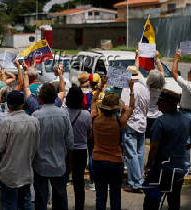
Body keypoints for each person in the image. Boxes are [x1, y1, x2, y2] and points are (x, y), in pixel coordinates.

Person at [143, 89, 191, 210]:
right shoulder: (186, 120)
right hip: (179, 169)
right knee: (174, 202)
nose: (157, 104)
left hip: (161, 169)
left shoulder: (160, 122)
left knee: (151, 202)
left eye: (160, 102)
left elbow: (154, 148)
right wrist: (188, 146)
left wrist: (148, 165)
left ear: (168, 103)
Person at [91, 81, 135, 210]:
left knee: (100, 195)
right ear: (116, 108)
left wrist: (100, 87)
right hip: (115, 161)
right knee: (115, 196)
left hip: (98, 160)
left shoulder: (95, 119)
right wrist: (131, 89)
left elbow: (93, 101)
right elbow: (132, 107)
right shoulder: (119, 121)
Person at [0, 90, 40, 210]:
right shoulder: (34, 121)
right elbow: (36, 145)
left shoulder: (7, 122)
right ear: (23, 104)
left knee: (10, 204)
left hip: (9, 173)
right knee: (26, 203)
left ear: (8, 105)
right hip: (26, 172)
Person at [32, 83, 74, 210]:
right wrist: (69, 163)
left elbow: (32, 143)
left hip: (40, 165)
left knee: (40, 199)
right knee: (60, 198)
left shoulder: (36, 116)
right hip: (59, 164)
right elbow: (70, 142)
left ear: (40, 98)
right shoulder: (63, 114)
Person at [121, 66, 150, 193]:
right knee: (138, 154)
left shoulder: (128, 88)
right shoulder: (144, 88)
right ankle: (138, 180)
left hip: (131, 123)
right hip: (142, 123)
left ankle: (136, 182)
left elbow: (126, 107)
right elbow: (147, 108)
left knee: (131, 155)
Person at [63, 87, 92, 210]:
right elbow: (89, 134)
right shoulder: (86, 114)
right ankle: (79, 206)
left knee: (62, 180)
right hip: (81, 150)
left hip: (66, 150)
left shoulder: (63, 113)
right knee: (79, 182)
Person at [135, 49, 165, 137]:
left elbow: (136, 70)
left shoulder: (145, 84)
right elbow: (162, 72)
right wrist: (157, 58)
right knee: (155, 139)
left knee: (143, 137)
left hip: (146, 116)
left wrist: (137, 56)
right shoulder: (161, 87)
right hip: (157, 116)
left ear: (150, 79)